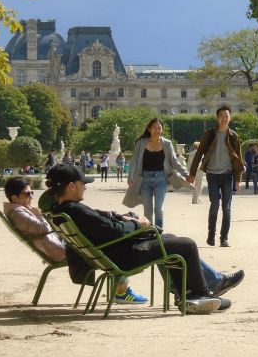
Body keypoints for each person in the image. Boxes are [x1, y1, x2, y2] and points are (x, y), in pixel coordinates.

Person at [46, 164, 244, 314]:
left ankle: (188, 293)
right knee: (186, 244)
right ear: (71, 186)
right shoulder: (76, 210)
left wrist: (122, 217)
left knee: (171, 240)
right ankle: (199, 295)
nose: (85, 188)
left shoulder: (62, 211)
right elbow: (113, 231)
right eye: (82, 184)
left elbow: (103, 224)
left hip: (112, 252)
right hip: (124, 255)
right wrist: (137, 224)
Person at [2, 176, 148, 303]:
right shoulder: (18, 213)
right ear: (14, 198)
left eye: (32, 192)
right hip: (59, 250)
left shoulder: (18, 210)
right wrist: (39, 215)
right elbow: (44, 229)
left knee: (104, 234)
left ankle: (120, 290)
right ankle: (121, 291)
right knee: (108, 242)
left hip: (57, 245)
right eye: (27, 194)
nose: (31, 197)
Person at [187, 105, 244, 247]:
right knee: (214, 205)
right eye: (222, 116)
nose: (224, 118)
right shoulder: (209, 134)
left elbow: (238, 159)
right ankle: (211, 235)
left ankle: (224, 238)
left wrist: (238, 179)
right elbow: (199, 154)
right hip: (212, 174)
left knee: (227, 207)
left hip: (227, 175)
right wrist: (192, 174)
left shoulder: (234, 136)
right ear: (217, 118)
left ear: (230, 118)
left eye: (227, 116)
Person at [129, 118, 190, 231]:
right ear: (149, 129)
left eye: (159, 128)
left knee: (159, 209)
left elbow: (174, 161)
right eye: (154, 128)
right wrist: (130, 177)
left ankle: (159, 234)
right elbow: (134, 161)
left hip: (161, 179)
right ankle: (149, 234)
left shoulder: (167, 143)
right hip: (145, 179)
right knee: (147, 210)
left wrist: (186, 174)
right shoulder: (141, 142)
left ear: (162, 130)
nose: (157, 130)